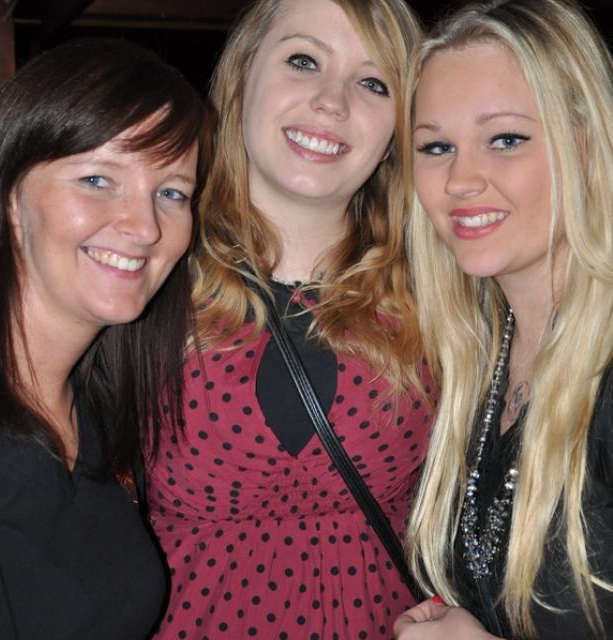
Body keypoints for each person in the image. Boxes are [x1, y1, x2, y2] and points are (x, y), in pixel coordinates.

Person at [144, 0, 435, 638]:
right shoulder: (143, 272)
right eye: (303, 60)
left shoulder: (448, 295)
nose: (332, 102)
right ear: (242, 76)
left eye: (374, 82)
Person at [0, 38, 212, 640]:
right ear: (9, 196)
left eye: (171, 192)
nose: (145, 226)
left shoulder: (97, 410)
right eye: (98, 179)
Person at [394, 0, 613, 638]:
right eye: (436, 146)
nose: (460, 179)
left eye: (506, 139)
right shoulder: (476, 352)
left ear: (588, 144)